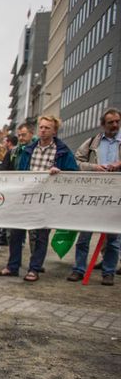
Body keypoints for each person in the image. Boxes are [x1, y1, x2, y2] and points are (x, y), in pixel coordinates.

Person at [0, 115, 79, 282]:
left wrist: (59, 172)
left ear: (54, 130)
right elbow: (21, 171)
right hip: (26, 197)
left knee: (40, 235)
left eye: (47, 127)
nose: (43, 130)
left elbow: (72, 172)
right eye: (41, 127)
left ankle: (34, 268)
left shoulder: (62, 151)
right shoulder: (29, 149)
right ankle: (12, 266)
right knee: (16, 233)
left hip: (46, 200)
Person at [68, 107, 121, 286]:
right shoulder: (92, 143)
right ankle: (79, 270)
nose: (114, 125)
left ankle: (109, 272)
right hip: (92, 194)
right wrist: (94, 168)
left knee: (113, 238)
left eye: (117, 122)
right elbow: (75, 161)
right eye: (110, 122)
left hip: (116, 197)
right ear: (102, 125)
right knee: (84, 235)